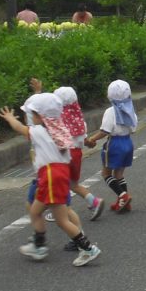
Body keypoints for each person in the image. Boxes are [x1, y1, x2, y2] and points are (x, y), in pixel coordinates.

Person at [0, 94, 101, 267]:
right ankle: (39, 245)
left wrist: (10, 118)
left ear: (39, 116)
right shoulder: (61, 130)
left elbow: (20, 128)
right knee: (35, 211)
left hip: (51, 175)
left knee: (60, 220)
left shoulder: (39, 131)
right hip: (59, 174)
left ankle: (87, 248)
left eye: (33, 114)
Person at [49, 84, 105, 221]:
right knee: (73, 184)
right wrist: (90, 143)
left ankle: (61, 211)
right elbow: (84, 139)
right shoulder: (79, 121)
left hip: (63, 155)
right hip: (77, 155)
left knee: (60, 184)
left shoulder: (58, 122)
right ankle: (94, 201)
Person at [85, 79, 137, 213]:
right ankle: (123, 201)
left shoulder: (110, 111)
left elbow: (105, 131)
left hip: (114, 144)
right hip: (128, 142)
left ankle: (123, 196)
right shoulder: (130, 109)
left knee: (106, 173)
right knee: (119, 173)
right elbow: (133, 128)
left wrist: (92, 139)